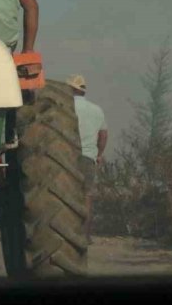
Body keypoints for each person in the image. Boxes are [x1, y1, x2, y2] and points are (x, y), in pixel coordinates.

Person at [67, 74, 108, 243]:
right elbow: (103, 135)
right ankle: (85, 234)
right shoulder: (97, 110)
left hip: (68, 157)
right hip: (88, 159)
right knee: (87, 196)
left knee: (67, 195)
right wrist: (98, 154)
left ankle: (67, 232)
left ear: (71, 89)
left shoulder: (65, 106)